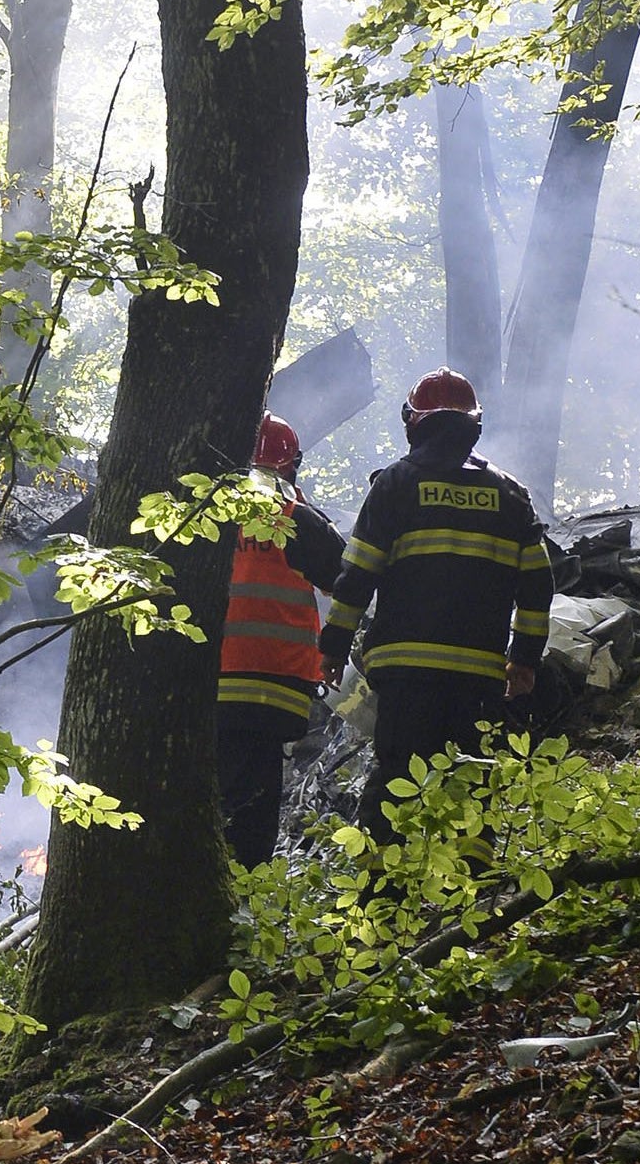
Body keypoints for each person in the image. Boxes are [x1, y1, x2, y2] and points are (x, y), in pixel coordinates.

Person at [318, 370, 553, 838]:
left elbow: (357, 576)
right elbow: (538, 584)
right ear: (474, 426)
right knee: (472, 785)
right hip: (478, 675)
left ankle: (383, 900)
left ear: (413, 423)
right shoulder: (510, 496)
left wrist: (333, 647)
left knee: (398, 781)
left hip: (405, 672)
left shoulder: (395, 485)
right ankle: (477, 901)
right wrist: (523, 660)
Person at [215, 413, 347, 867]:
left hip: (208, 684)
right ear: (290, 465)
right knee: (255, 797)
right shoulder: (297, 520)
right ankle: (244, 885)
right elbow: (345, 581)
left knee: (215, 786)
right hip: (276, 687)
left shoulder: (202, 517)